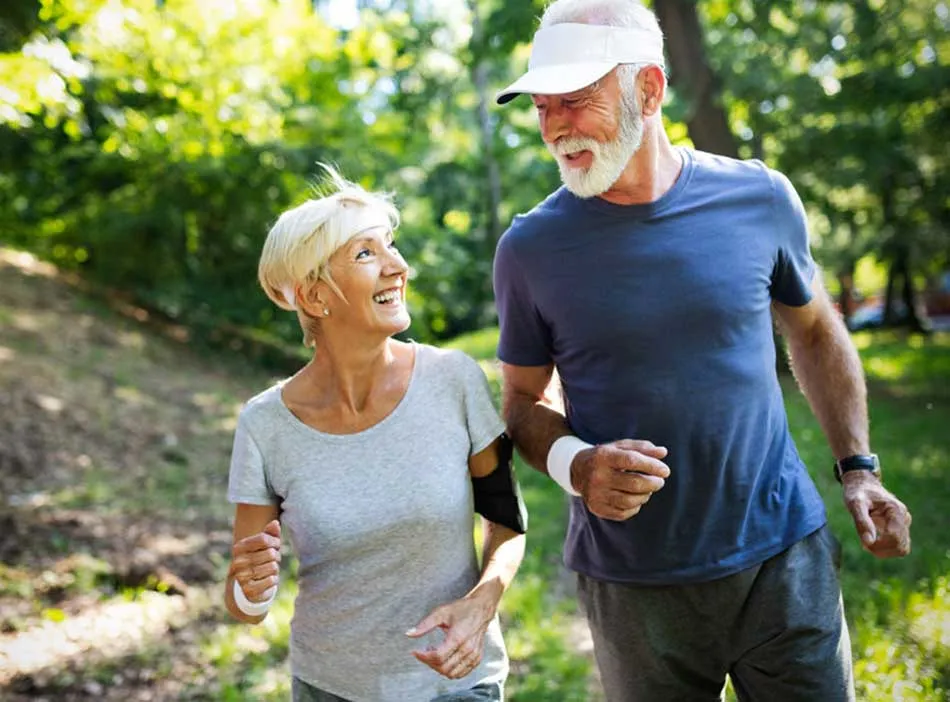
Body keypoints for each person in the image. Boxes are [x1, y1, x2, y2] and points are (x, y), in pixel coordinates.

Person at [491, 1, 912, 700]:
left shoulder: (760, 196)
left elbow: (813, 330)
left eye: (575, 100)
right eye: (542, 106)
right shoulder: (529, 249)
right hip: (633, 583)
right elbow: (522, 399)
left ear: (649, 90)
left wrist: (859, 469)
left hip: (784, 555)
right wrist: (577, 465)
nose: (555, 127)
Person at [224, 167, 527, 702]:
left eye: (391, 246)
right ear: (316, 298)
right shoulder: (265, 424)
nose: (399, 267)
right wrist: (250, 590)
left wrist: (482, 604)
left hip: (456, 686)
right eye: (367, 255)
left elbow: (507, 519)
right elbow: (243, 599)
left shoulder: (454, 380)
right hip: (329, 688)